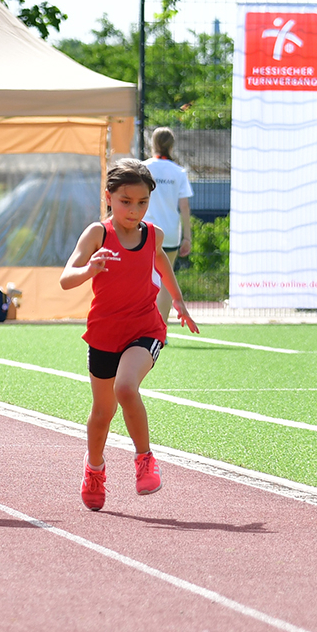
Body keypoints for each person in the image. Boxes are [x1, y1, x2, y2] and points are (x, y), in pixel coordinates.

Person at [59, 159, 200, 511]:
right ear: (109, 197)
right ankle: (95, 469)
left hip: (144, 329)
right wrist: (90, 269)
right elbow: (66, 278)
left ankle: (144, 460)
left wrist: (179, 303)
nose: (134, 210)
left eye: (142, 203)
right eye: (126, 201)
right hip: (104, 333)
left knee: (125, 387)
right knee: (102, 412)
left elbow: (162, 266)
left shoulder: (153, 235)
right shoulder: (98, 234)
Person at [142, 127, 195, 323]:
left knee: (142, 280)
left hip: (145, 232)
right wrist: (187, 237)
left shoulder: (143, 167)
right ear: (172, 146)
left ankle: (143, 326)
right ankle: (159, 330)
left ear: (153, 144)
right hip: (170, 233)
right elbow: (185, 205)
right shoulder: (179, 172)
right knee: (165, 282)